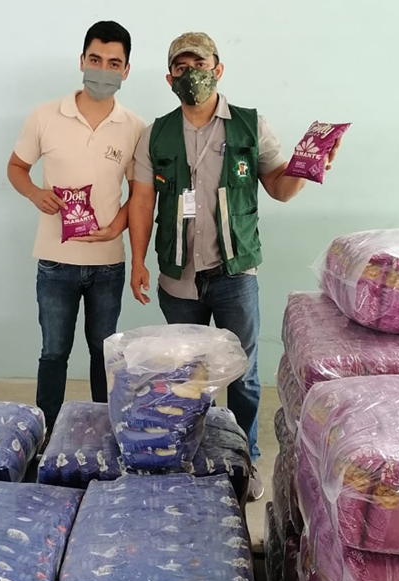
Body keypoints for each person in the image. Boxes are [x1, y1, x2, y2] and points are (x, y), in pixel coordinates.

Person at [128, 31, 340, 500]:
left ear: (218, 69)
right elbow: (141, 201)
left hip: (235, 274)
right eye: (181, 68)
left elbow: (280, 188)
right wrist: (137, 261)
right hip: (178, 277)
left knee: (242, 374)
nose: (191, 74)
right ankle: (190, 456)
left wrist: (310, 165)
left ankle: (246, 460)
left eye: (200, 65)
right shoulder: (155, 134)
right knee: (187, 375)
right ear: (169, 78)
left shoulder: (249, 125)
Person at [7, 21, 147, 435]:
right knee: (53, 352)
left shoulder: (135, 128)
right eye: (95, 59)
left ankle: (105, 431)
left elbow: (140, 194)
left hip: (108, 264)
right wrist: (35, 193)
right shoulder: (45, 116)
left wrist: (116, 227)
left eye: (114, 63)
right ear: (82, 61)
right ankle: (45, 434)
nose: (103, 70)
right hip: (55, 260)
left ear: (126, 71)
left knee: (105, 354)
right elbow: (16, 167)